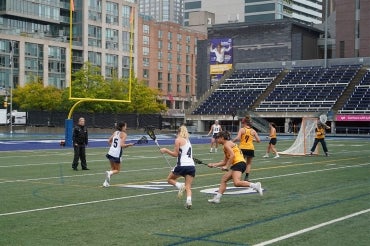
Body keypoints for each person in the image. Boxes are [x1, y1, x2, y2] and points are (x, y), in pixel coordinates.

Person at [207, 131, 263, 204]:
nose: (216, 139)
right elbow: (224, 161)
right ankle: (217, 198)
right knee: (224, 179)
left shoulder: (227, 144)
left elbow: (232, 155)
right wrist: (213, 164)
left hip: (239, 164)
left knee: (236, 183)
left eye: (217, 138)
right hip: (238, 164)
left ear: (222, 138)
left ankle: (255, 185)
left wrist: (226, 166)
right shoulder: (226, 145)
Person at [160, 126, 196, 209]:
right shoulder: (188, 141)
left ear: (178, 132)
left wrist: (165, 150)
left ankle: (180, 186)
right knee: (188, 186)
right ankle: (189, 200)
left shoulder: (178, 140)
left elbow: (175, 154)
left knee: (169, 179)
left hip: (182, 166)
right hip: (191, 166)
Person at [103, 121, 134, 187]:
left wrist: (114, 147)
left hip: (110, 152)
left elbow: (108, 141)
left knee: (112, 168)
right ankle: (109, 173)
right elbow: (122, 145)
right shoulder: (124, 134)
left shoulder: (115, 132)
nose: (126, 127)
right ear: (122, 127)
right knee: (117, 170)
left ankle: (106, 182)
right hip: (117, 154)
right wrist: (129, 144)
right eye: (125, 126)